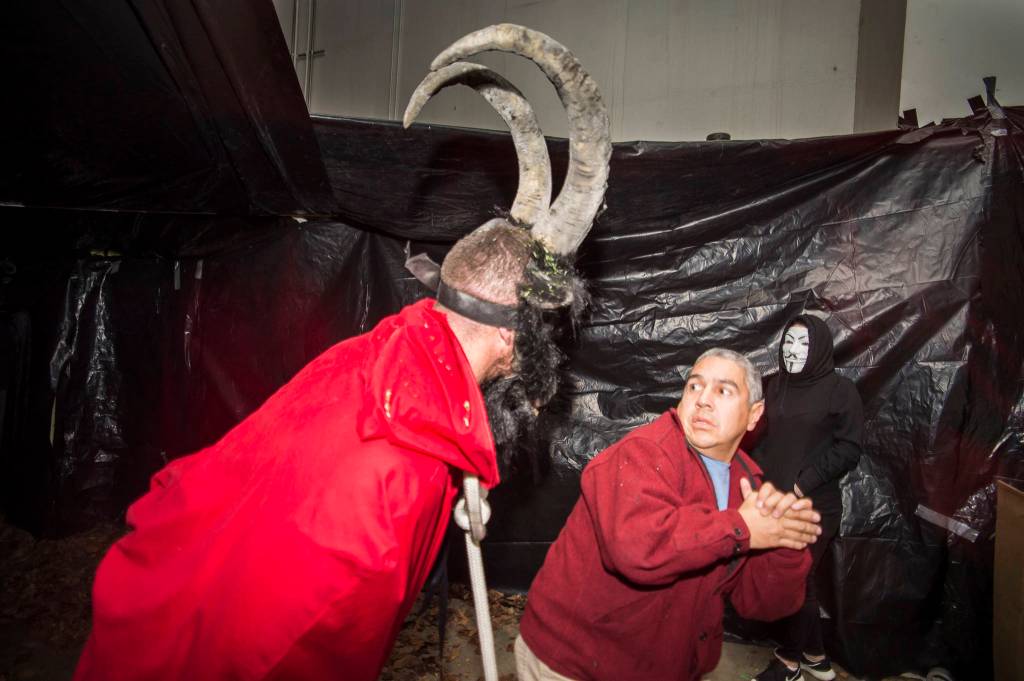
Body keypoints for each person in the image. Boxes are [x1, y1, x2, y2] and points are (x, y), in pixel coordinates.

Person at [74, 24, 612, 681]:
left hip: (150, 607)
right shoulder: (405, 469)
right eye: (542, 334)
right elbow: (304, 649)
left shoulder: (379, 354)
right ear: (512, 333)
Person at [516, 348, 824, 681]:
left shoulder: (747, 485)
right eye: (694, 386)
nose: (703, 399)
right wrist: (741, 527)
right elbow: (637, 549)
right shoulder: (641, 454)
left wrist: (784, 544)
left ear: (754, 414)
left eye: (723, 390)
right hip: (573, 664)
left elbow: (760, 604)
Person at [751, 315, 864, 681]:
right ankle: (816, 656)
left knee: (795, 580)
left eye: (802, 344)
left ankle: (788, 663)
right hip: (774, 503)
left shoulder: (840, 390)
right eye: (788, 343)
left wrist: (801, 485)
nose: (793, 351)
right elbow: (763, 441)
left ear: (818, 349)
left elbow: (849, 448)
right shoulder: (773, 386)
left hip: (813, 506)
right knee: (801, 580)